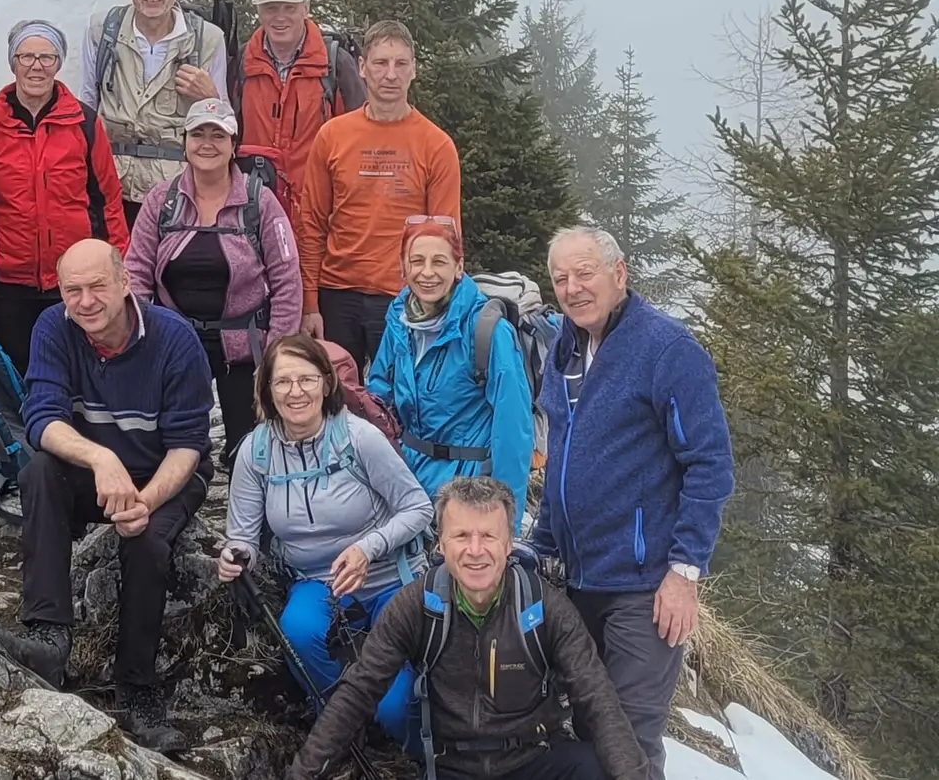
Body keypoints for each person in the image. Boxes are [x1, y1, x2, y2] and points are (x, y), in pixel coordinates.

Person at [0, 239, 212, 753]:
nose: (84, 301)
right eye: (72, 290)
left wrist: (145, 502)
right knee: (40, 472)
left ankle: (137, 689)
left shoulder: (175, 340)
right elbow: (41, 420)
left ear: (126, 282)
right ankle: (48, 637)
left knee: (146, 542)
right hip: (98, 467)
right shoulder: (54, 329)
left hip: (164, 470)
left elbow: (188, 447)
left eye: (97, 286)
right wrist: (102, 460)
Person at [529, 227, 733, 780]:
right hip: (578, 580)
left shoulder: (668, 349)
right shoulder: (564, 349)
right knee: (591, 731)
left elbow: (710, 464)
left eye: (585, 273)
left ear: (619, 274)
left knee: (629, 741)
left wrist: (684, 573)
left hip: (644, 588)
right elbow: (563, 463)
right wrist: (540, 546)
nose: (572, 288)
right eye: (560, 278)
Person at [286, 476, 651, 780]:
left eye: (488, 537)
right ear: (441, 544)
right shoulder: (415, 606)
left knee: (596, 767)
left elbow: (597, 699)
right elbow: (359, 691)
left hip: (535, 762)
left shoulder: (545, 608)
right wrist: (303, 773)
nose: (475, 550)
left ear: (509, 544)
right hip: (452, 766)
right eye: (461, 536)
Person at [217, 332, 433, 748]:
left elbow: (418, 508)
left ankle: (413, 749)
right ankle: (340, 719)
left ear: (326, 383)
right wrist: (236, 556)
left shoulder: (359, 438)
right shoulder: (255, 452)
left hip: (390, 577)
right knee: (297, 630)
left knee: (392, 707)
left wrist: (367, 548)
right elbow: (242, 536)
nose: (295, 392)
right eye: (282, 382)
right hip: (316, 580)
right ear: (267, 389)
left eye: (307, 379)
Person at [124, 98, 301, 462]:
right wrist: (139, 336)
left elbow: (287, 279)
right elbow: (137, 271)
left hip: (245, 345)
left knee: (250, 452)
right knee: (173, 445)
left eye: (217, 135)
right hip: (176, 341)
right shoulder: (162, 200)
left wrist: (277, 352)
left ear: (233, 144)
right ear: (184, 142)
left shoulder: (259, 202)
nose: (207, 144)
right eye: (198, 134)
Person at [0, 19, 126, 372]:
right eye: (27, 56)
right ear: (13, 61)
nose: (37, 66)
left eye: (47, 57)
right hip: (7, 286)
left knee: (82, 376)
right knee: (17, 380)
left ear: (59, 62)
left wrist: (118, 273)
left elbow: (109, 201)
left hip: (76, 281)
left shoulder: (84, 122)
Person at [299, 20, 461, 372]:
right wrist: (310, 303)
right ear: (362, 68)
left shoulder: (436, 145)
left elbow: (446, 238)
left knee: (405, 402)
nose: (390, 74)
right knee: (336, 401)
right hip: (336, 295)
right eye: (380, 63)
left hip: (404, 296)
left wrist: (440, 306)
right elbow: (311, 224)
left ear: (414, 69)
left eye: (400, 64)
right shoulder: (332, 136)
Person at [368, 217, 535, 525]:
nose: (427, 272)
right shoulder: (399, 322)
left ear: (459, 268)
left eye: (439, 262)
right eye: (416, 261)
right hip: (408, 487)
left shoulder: (488, 331)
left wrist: (506, 522)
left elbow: (513, 431)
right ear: (403, 268)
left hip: (469, 489)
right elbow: (379, 398)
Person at [79, 0, 226, 229]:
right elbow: (87, 102)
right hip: (112, 184)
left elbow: (223, 123)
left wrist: (210, 97)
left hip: (179, 188)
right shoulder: (102, 30)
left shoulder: (208, 38)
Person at [236, 0, 352, 226]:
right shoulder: (242, 62)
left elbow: (358, 140)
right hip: (253, 209)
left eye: (289, 7)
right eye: (270, 8)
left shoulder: (335, 63)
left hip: (318, 211)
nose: (279, 17)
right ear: (259, 12)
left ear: (305, 9)